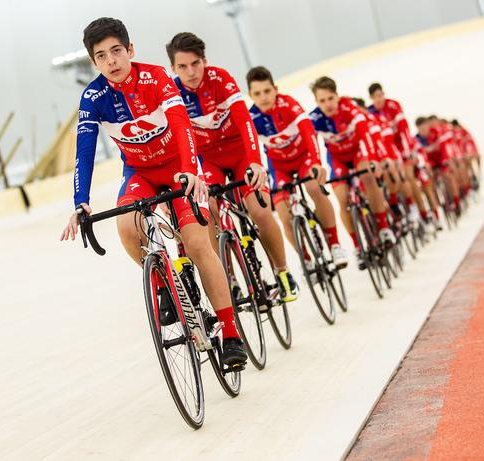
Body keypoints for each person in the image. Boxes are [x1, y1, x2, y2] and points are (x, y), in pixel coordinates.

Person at [60, 18, 247, 366]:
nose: (112, 61)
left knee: (196, 243)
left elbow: (180, 124)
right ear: (94, 63)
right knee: (127, 227)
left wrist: (192, 169)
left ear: (130, 50)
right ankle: (166, 288)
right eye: (101, 56)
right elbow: (83, 150)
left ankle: (231, 332)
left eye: (117, 51)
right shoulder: (93, 97)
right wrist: (80, 202)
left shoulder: (157, 77)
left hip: (179, 166)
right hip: (140, 173)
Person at [165, 33, 299, 302]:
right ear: (173, 69)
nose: (191, 72)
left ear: (205, 60)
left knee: (259, 212)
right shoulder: (173, 91)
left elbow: (245, 122)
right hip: (209, 161)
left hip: (240, 155)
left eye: (195, 64)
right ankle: (231, 281)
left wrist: (256, 163)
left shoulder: (221, 78)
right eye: (182, 67)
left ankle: (283, 273)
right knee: (209, 212)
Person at [246, 66, 350, 269]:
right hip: (279, 167)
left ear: (275, 89)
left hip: (304, 159)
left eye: (267, 91)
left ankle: (335, 244)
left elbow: (309, 132)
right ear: (250, 95)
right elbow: (249, 148)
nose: (264, 97)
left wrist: (317, 163)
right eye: (257, 94)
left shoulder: (289, 104)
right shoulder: (252, 117)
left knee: (313, 188)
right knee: (284, 216)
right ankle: (308, 261)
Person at [309, 76, 395, 269]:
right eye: (322, 101)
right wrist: (316, 164)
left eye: (330, 98)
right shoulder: (315, 117)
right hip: (337, 159)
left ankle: (382, 228)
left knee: (367, 177)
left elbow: (366, 133)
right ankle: (357, 246)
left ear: (337, 96)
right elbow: (310, 141)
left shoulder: (350, 108)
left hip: (358, 153)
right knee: (342, 199)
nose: (327, 104)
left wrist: (372, 159)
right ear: (316, 102)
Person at [368, 83, 432, 229]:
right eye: (375, 97)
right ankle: (395, 209)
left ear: (384, 94)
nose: (379, 99)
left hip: (401, 146)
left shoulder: (393, 105)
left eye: (381, 95)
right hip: (387, 148)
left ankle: (421, 212)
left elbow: (404, 129)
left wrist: (406, 151)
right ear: (371, 98)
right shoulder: (370, 112)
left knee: (408, 177)